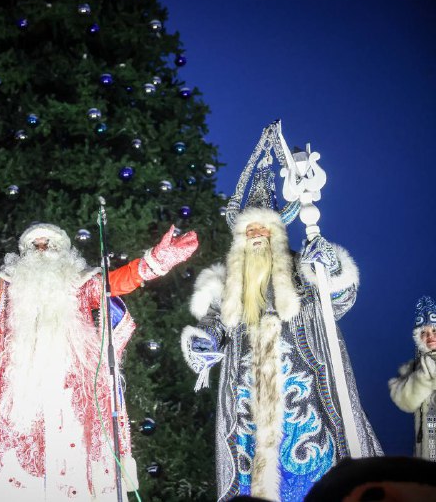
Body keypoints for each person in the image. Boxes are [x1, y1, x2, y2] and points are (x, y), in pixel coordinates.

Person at [0, 220, 198, 501]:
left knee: (74, 472)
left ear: (64, 251)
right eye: (35, 245)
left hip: (72, 395)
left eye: (49, 244)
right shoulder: (10, 286)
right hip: (22, 395)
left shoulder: (81, 285)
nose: (42, 249)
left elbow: (117, 283)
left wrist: (154, 262)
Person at [181, 201, 383, 501]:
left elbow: (339, 300)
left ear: (276, 234)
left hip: (307, 402)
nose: (256, 236)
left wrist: (331, 267)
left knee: (322, 480)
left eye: (263, 229)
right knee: (253, 480)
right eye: (250, 230)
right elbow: (215, 324)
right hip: (249, 405)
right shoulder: (228, 286)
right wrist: (204, 342)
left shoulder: (304, 271)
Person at [389, 295, 436, 460]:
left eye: (434, 330)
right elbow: (404, 401)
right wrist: (422, 378)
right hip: (428, 443)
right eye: (424, 333)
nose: (430, 336)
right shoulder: (413, 368)